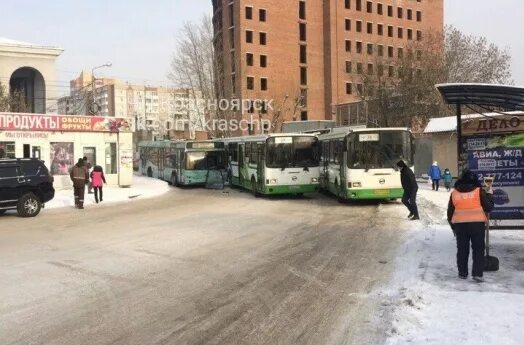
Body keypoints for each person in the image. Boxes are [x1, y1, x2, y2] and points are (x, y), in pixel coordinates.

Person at [447, 170, 494, 282]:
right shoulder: (479, 192)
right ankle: (477, 274)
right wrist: (490, 195)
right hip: (477, 225)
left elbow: (450, 213)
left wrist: (453, 227)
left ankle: (462, 273)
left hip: (460, 226)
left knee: (462, 249)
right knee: (478, 249)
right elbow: (489, 207)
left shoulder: (454, 193)